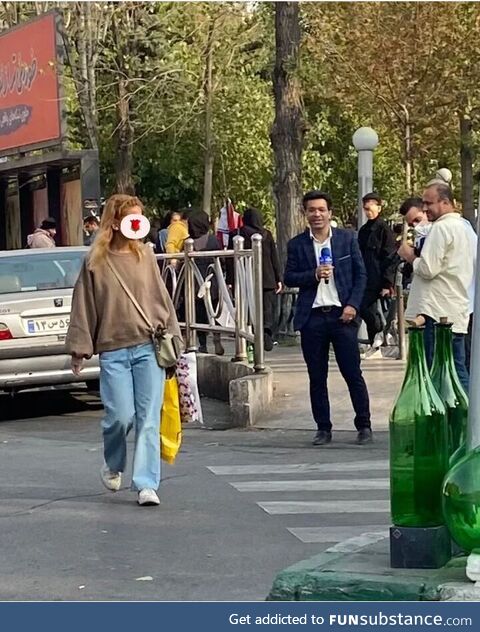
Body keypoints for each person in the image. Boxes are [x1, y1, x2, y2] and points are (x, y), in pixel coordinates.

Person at [65, 193, 181, 507]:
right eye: (131, 218)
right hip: (113, 351)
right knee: (120, 416)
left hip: (148, 347)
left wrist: (174, 340)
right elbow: (84, 306)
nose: (137, 224)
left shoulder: (145, 256)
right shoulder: (94, 261)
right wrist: (79, 349)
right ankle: (114, 463)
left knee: (148, 419)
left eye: (139, 218)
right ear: (115, 222)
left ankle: (146, 484)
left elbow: (162, 302)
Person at [284, 190, 372, 446]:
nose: (317, 214)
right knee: (316, 375)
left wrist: (353, 306)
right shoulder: (297, 244)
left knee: (352, 372)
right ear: (305, 213)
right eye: (312, 210)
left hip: (342, 315)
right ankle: (323, 428)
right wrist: (313, 274)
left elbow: (361, 275)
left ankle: (364, 424)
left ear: (329, 213)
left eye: (321, 209)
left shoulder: (346, 239)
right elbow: (289, 277)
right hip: (312, 317)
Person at [398, 183, 475, 392]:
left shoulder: (441, 228)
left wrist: (409, 256)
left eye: (429, 203)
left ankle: (453, 422)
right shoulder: (465, 227)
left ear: (446, 202)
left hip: (435, 311)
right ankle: (466, 421)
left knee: (439, 373)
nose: (425, 209)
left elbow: (428, 268)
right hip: (457, 308)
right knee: (456, 370)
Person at [227, 208, 282, 351]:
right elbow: (273, 257)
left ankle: (250, 337)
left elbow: (230, 260)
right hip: (267, 278)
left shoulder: (236, 234)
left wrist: (231, 280)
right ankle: (266, 331)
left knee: (248, 309)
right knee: (267, 309)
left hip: (244, 279)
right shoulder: (266, 234)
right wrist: (278, 278)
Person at [357, 193, 397, 347]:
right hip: (366, 277)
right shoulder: (363, 230)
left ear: (379, 208)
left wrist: (387, 283)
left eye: (371, 207)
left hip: (380, 278)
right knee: (365, 309)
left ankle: (381, 340)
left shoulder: (384, 230)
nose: (368, 211)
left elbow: (390, 256)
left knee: (378, 311)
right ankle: (376, 340)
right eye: (365, 208)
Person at [188, 210, 224, 356]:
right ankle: (217, 336)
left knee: (199, 314)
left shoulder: (187, 242)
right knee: (215, 311)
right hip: (213, 282)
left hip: (194, 284)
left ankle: (202, 344)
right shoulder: (213, 240)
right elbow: (221, 261)